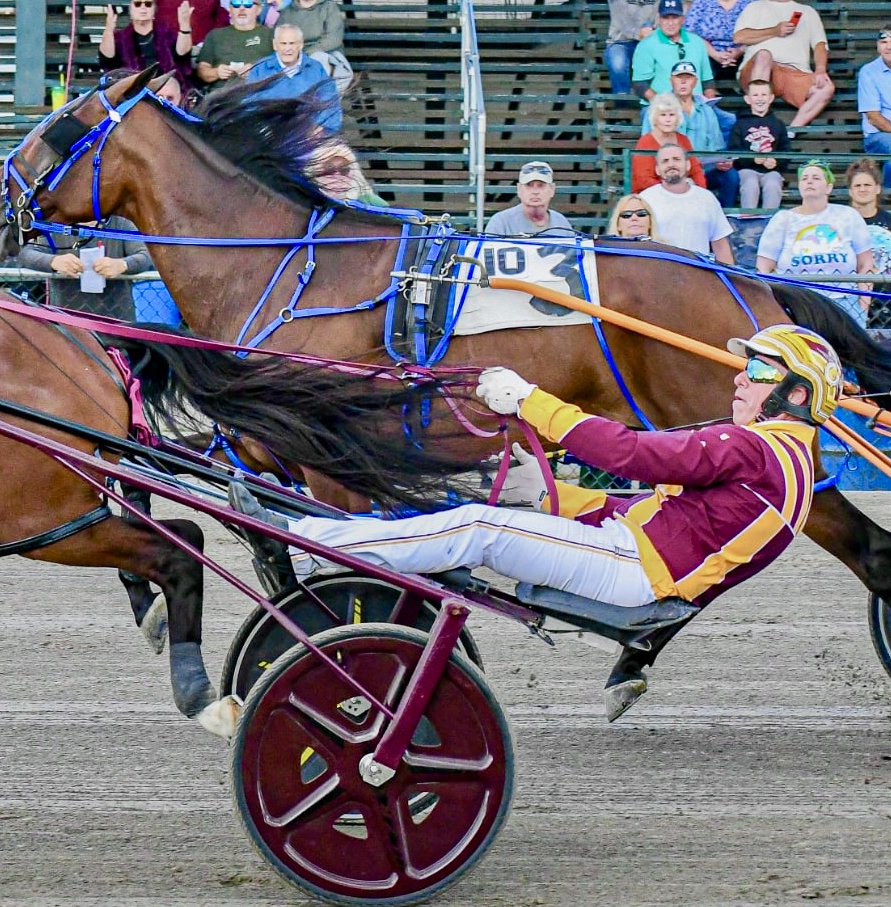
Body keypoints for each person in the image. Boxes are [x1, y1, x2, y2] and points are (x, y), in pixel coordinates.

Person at [229, 324, 840, 718]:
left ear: (796, 394)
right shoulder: (788, 467)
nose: (740, 376)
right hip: (635, 559)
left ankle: (303, 543)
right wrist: (555, 498)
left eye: (759, 371)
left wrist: (530, 400)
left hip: (635, 572)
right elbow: (655, 510)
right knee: (478, 513)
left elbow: (629, 455)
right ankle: (326, 543)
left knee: (478, 529)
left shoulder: (756, 448)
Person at [756, 161, 876, 322]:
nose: (809, 181)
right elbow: (764, 267)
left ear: (829, 187)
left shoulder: (849, 216)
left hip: (844, 303)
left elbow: (865, 263)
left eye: (816, 178)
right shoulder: (782, 219)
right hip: (797, 305)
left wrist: (863, 306)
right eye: (804, 178)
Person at [16, 215, 152, 320]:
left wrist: (122, 264)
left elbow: (145, 255)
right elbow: (26, 253)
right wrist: (54, 261)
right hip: (66, 319)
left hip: (116, 320)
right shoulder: (57, 224)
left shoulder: (121, 222)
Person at [648, 59, 736, 206]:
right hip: (671, 167)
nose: (683, 82)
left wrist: (722, 161)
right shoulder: (661, 107)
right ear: (671, 81)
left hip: (704, 168)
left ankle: (724, 220)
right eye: (679, 78)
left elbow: (718, 147)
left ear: (695, 82)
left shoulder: (707, 110)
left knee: (731, 176)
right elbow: (650, 145)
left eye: (687, 78)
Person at [733, 0, 831, 130]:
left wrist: (820, 69)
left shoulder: (808, 11)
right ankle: (758, 123)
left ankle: (791, 131)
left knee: (826, 87)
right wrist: (775, 31)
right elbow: (739, 37)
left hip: (793, 72)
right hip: (759, 69)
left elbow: (820, 45)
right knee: (764, 55)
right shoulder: (755, 7)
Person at [640, 143, 735, 261]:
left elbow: (720, 245)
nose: (671, 164)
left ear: (688, 165)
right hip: (659, 274)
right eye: (665, 161)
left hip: (699, 274)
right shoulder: (645, 199)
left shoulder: (706, 198)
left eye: (676, 159)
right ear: (657, 169)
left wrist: (728, 276)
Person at [244, 24, 341, 132]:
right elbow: (250, 105)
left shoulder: (316, 68)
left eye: (292, 43)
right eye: (283, 43)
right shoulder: (259, 70)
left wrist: (322, 129)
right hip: (270, 134)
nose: (287, 48)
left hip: (308, 134)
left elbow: (330, 101)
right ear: (275, 45)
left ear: (300, 44)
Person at [99, 0, 195, 96]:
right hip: (133, 90)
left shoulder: (167, 33)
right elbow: (107, 58)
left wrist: (184, 26)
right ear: (130, 10)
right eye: (137, 4)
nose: (143, 7)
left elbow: (182, 55)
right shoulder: (120, 37)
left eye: (148, 4)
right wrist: (109, 28)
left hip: (166, 87)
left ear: (154, 10)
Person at [631, 0, 714, 103]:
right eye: (666, 18)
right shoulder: (646, 44)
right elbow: (640, 83)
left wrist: (709, 104)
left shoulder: (697, 42)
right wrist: (662, 105)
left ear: (682, 19)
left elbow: (708, 81)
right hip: (660, 109)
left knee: (729, 119)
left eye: (675, 18)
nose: (670, 23)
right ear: (659, 19)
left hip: (695, 107)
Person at [729, 78, 789, 209]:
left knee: (773, 184)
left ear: (771, 98)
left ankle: (769, 221)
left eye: (764, 95)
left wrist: (776, 161)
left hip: (771, 171)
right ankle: (748, 218)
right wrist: (753, 159)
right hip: (747, 170)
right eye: (755, 95)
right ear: (747, 99)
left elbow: (786, 151)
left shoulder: (778, 124)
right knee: (750, 183)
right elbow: (733, 151)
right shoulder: (739, 124)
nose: (760, 99)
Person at [269, 0, 351, 93]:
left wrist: (305, 54)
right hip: (294, 55)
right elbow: (279, 38)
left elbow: (333, 40)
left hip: (327, 55)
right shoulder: (288, 11)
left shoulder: (329, 7)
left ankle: (318, 100)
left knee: (318, 59)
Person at [632, 93, 708, 193]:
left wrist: (701, 192)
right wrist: (673, 190)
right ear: (655, 118)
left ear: (678, 118)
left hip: (681, 192)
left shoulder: (683, 140)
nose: (668, 120)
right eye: (663, 115)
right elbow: (644, 180)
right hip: (652, 195)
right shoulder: (645, 143)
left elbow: (696, 171)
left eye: (671, 115)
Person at [195, 0, 271, 90]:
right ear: (230, 10)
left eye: (248, 4)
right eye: (236, 3)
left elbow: (284, 67)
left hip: (259, 92)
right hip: (221, 95)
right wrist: (216, 72)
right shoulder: (215, 35)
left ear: (259, 9)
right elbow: (202, 71)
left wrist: (257, 72)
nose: (241, 8)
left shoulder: (271, 34)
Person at [484, 161, 573, 235]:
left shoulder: (562, 223)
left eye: (541, 185)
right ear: (519, 189)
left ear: (552, 189)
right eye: (529, 185)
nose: (535, 191)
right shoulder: (501, 223)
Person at [686, 0, 749, 84]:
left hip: (743, 51)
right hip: (708, 52)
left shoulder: (749, 3)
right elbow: (689, 32)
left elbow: (759, 32)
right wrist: (714, 54)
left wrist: (740, 50)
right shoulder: (702, 3)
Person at [605, 0, 657, 95]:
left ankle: (653, 103)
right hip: (620, 41)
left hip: (651, 40)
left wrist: (654, 31)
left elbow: (663, 15)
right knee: (618, 64)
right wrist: (639, 34)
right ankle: (622, 104)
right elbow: (622, 21)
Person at [859, 27, 891, 175]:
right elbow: (873, 117)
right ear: (878, 46)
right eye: (884, 42)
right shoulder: (868, 71)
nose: (888, 46)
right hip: (878, 135)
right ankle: (887, 194)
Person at [846, 158, 891, 228]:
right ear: (850, 191)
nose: (862, 189)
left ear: (878, 189)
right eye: (857, 185)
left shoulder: (889, 220)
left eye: (867, 185)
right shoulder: (840, 221)